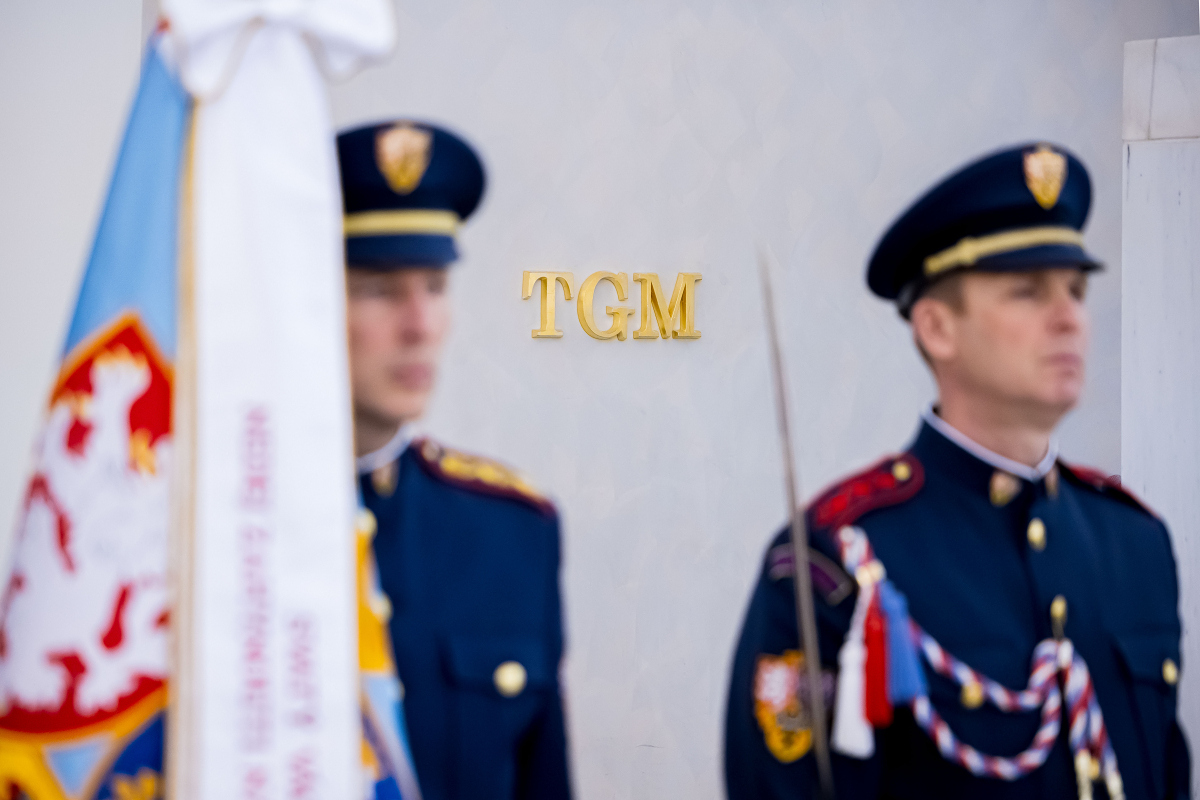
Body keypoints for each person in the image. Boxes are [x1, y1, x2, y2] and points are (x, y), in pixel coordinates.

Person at [725, 143, 1190, 799]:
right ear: (938, 328)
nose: (1069, 318)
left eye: (1076, 290)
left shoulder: (1135, 544)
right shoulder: (835, 561)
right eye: (1027, 291)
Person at [339, 120, 572, 800]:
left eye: (436, 285)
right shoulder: (217, 530)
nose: (420, 324)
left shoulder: (511, 531)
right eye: (379, 288)